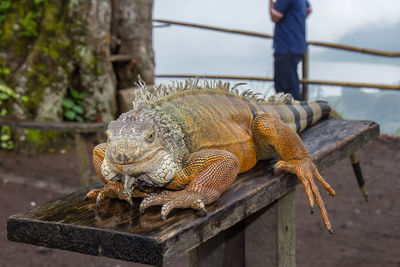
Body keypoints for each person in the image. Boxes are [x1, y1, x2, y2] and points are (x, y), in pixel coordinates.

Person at [269, 0, 311, 100]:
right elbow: (308, 9)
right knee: (292, 84)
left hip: (286, 47)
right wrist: (295, 21)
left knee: (285, 89)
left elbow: (274, 16)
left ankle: (294, 113)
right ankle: (298, 111)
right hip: (296, 44)